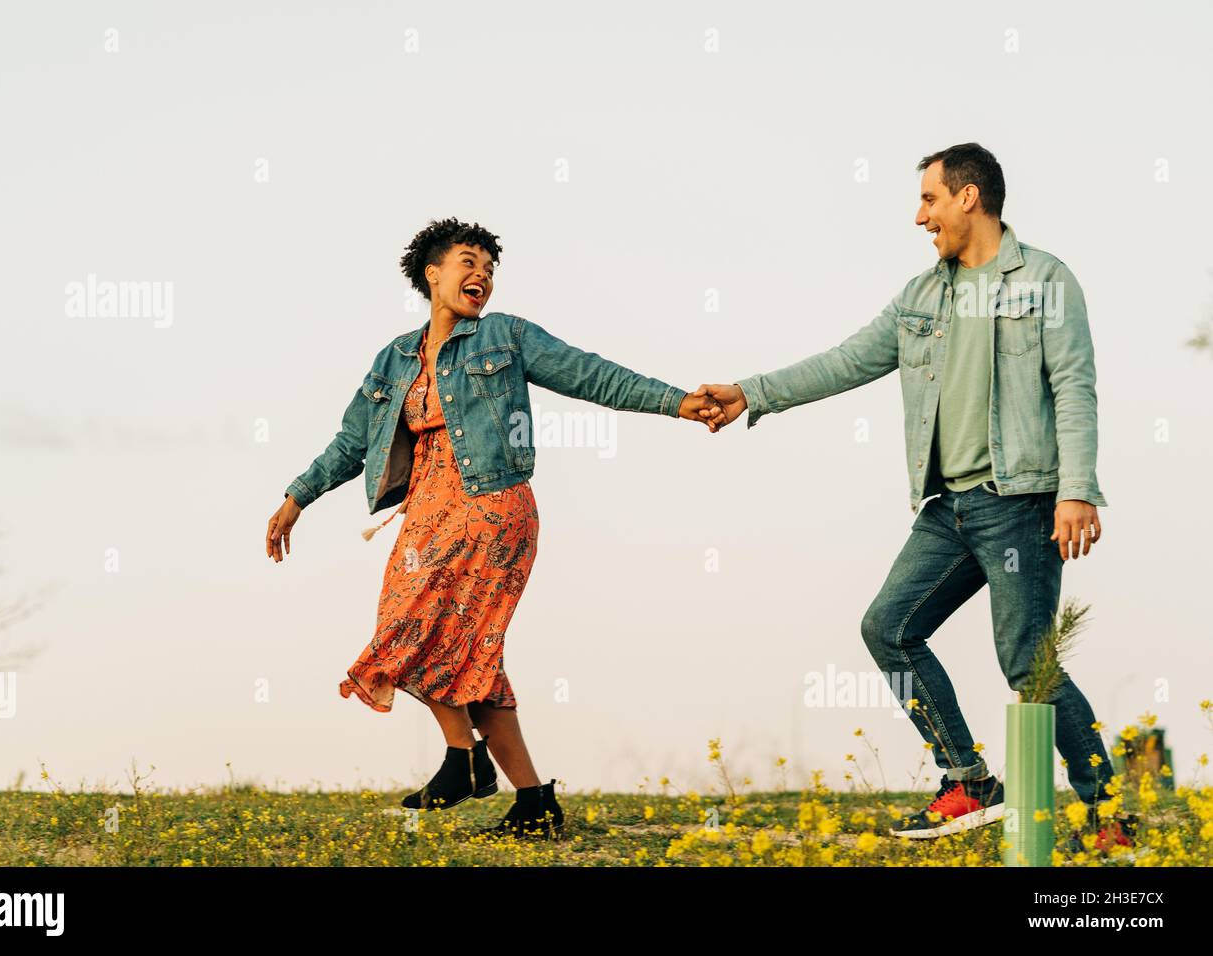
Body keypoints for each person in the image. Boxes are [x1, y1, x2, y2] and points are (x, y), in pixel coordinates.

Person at [697, 144, 1133, 848]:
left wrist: (1076, 490)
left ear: (967, 197)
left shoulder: (1046, 281)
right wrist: (751, 392)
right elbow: (844, 361)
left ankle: (1106, 815)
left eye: (928, 199)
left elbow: (1073, 387)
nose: (919, 216)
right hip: (948, 508)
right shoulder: (921, 297)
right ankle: (967, 779)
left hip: (1021, 501)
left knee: (1027, 662)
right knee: (888, 628)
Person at [266, 217, 714, 839]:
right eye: (467, 263)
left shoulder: (505, 336)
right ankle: (532, 803)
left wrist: (677, 401)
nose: (481, 276)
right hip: (425, 513)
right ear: (432, 272)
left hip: (493, 510)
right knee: (470, 658)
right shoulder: (395, 358)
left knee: (409, 628)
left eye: (489, 268)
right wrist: (298, 496)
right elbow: (352, 439)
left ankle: (464, 759)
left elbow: (592, 374)